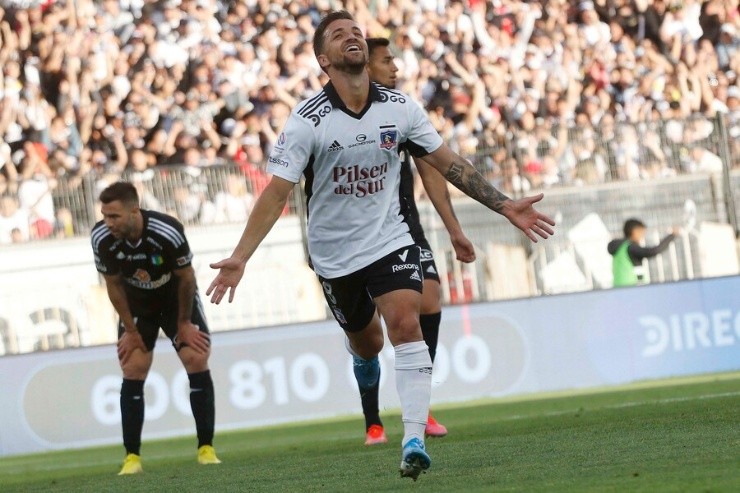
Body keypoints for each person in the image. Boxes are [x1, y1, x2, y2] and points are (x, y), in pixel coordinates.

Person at [207, 11, 554, 481]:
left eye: (355, 31)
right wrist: (241, 256)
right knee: (367, 343)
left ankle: (413, 440)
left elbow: (448, 163)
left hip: (389, 238)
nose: (351, 36)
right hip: (333, 253)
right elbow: (276, 193)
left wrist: (504, 205)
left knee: (407, 322)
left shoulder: (400, 108)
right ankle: (366, 376)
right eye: (338, 35)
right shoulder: (307, 121)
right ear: (323, 59)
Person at [356, 37, 476, 447]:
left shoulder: (401, 110)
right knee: (367, 337)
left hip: (403, 226)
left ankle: (419, 405)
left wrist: (453, 229)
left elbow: (431, 168)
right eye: (386, 61)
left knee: (430, 297)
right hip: (352, 238)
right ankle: (373, 420)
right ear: (365, 67)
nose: (395, 68)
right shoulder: (331, 117)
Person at [91, 181, 220, 475]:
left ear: (134, 211)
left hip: (175, 300)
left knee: (196, 357)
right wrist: (130, 330)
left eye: (114, 216)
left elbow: (187, 278)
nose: (108, 223)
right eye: (105, 216)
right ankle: (132, 458)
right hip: (137, 305)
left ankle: (206, 448)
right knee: (133, 367)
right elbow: (113, 285)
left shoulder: (167, 230)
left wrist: (184, 323)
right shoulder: (101, 237)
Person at [608, 218, 678, 287]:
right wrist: (672, 235)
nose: (642, 237)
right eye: (641, 233)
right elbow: (654, 251)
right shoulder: (631, 248)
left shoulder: (620, 249)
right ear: (634, 231)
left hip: (619, 287)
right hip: (630, 287)